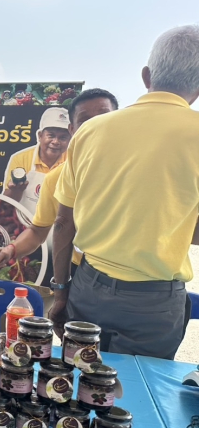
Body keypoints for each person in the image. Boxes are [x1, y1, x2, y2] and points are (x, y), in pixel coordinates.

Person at [50, 25, 199, 359]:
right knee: (136, 388)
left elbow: (63, 222)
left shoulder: (90, 131)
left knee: (76, 379)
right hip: (154, 303)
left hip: (88, 287)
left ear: (147, 76)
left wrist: (60, 292)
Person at [0, 89, 119, 271]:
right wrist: (10, 250)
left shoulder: (132, 167)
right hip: (76, 267)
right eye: (85, 121)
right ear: (74, 129)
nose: (95, 126)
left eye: (103, 117)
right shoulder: (56, 176)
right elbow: (38, 230)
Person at [2, 106, 72, 218]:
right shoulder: (20, 158)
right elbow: (6, 204)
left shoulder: (73, 162)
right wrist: (15, 190)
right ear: (40, 136)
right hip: (22, 222)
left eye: (63, 138)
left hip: (57, 223)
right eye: (51, 135)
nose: (56, 142)